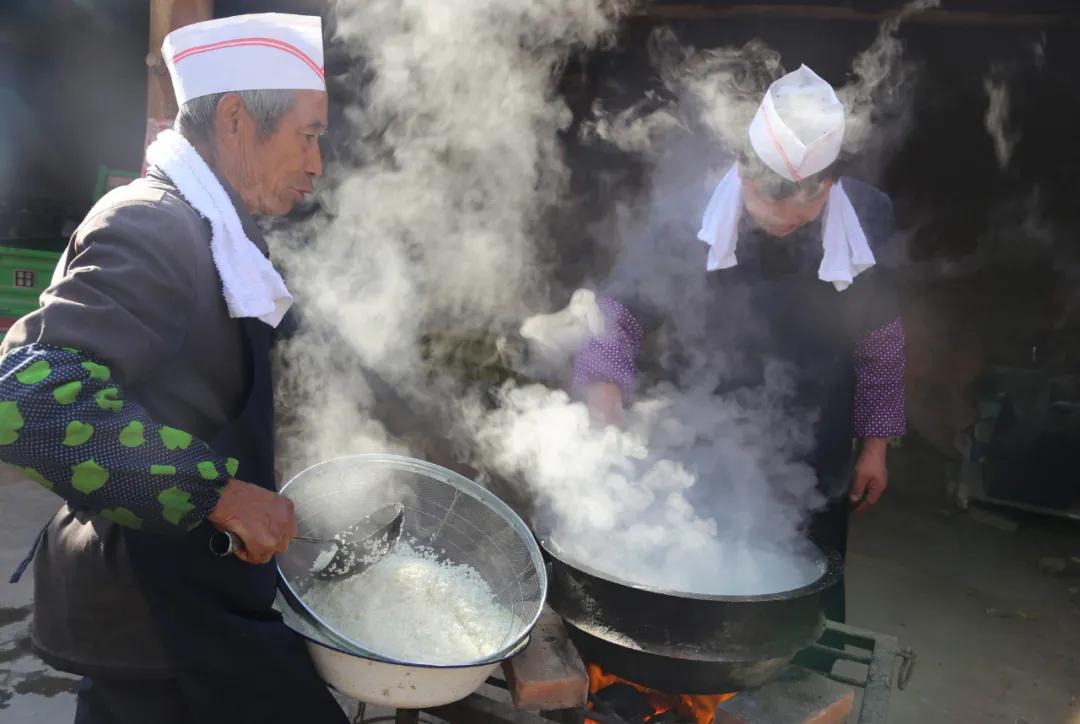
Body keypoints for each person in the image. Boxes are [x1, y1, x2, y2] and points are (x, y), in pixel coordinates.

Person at [0, 13, 347, 724]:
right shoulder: (152, 224)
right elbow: (24, 398)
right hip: (153, 613)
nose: (317, 164)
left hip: (198, 597)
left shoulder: (218, 227)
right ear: (236, 120)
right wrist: (218, 493)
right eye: (308, 136)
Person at [574, 65, 906, 624]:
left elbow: (880, 335)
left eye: (807, 203)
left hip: (815, 445)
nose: (787, 217)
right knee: (690, 592)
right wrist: (603, 392)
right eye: (771, 201)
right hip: (702, 434)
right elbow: (620, 309)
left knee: (802, 598)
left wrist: (875, 444)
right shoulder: (685, 215)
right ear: (742, 172)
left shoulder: (867, 216)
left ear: (830, 184)